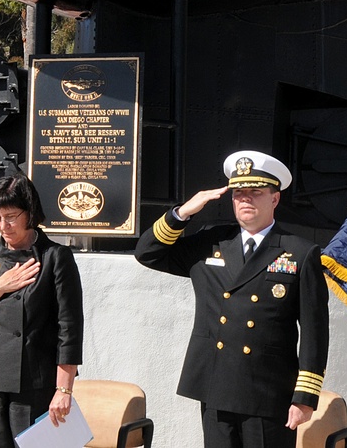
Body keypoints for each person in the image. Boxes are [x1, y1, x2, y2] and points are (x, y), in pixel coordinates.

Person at [135, 151, 328, 448]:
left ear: (274, 199)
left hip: (269, 392)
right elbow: (147, 253)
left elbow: (315, 332)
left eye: (255, 192)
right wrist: (183, 212)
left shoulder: (299, 252)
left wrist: (304, 397)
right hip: (217, 386)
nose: (246, 199)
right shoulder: (211, 243)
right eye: (239, 193)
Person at [0, 174, 84, 448]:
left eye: (10, 216)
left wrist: (64, 389)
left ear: (30, 212)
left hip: (34, 383)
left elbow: (68, 329)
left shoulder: (54, 257)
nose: (3, 226)